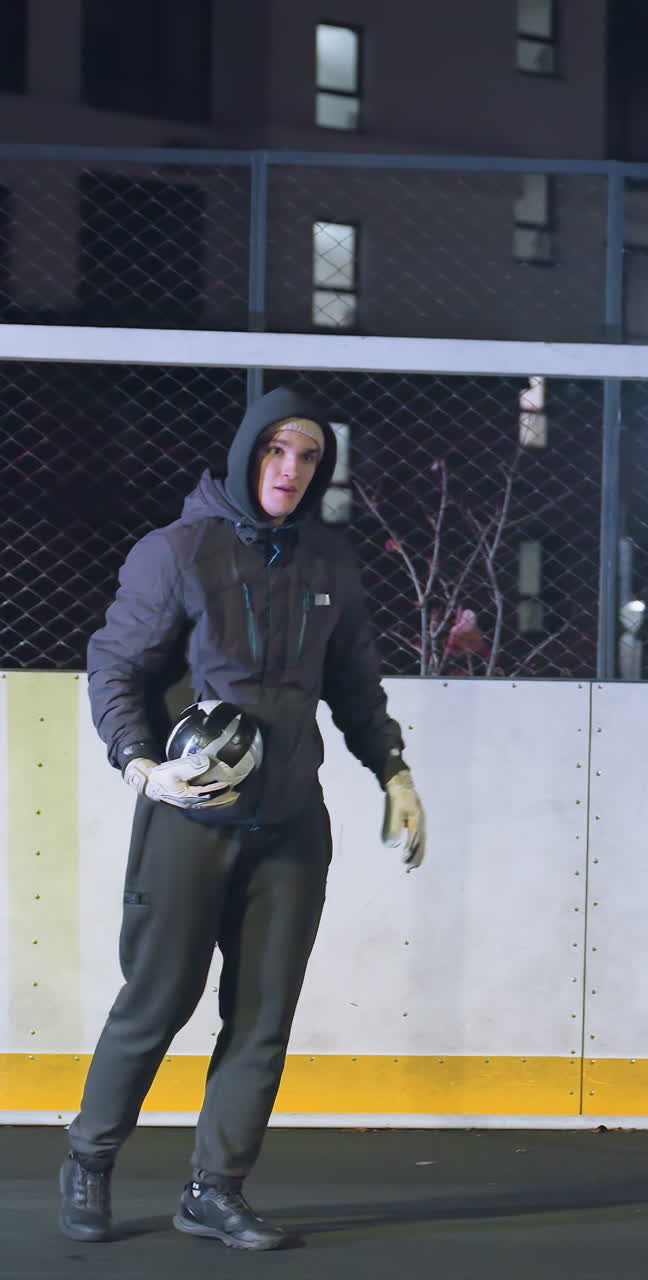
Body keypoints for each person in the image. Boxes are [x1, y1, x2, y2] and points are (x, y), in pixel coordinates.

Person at [59, 385, 426, 1251]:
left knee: (262, 1015)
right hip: (192, 820)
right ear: (246, 455)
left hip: (293, 826)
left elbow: (354, 684)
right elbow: (113, 666)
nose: (291, 470)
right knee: (157, 1001)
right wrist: (140, 764)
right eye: (276, 452)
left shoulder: (328, 562)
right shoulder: (177, 551)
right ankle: (89, 1158)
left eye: (307, 456)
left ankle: (214, 1190)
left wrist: (395, 769)